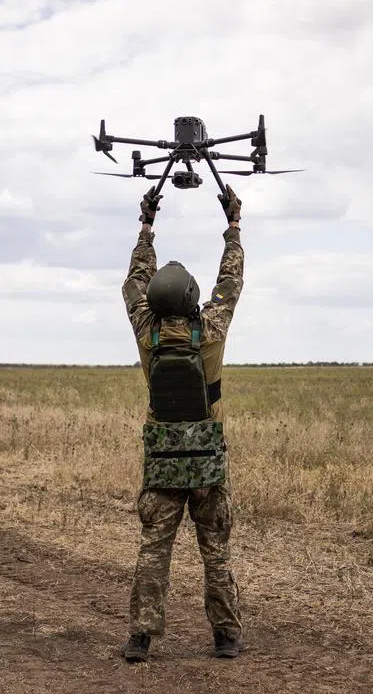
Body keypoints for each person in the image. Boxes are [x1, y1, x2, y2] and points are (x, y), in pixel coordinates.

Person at [120, 183, 246, 663]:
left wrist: (146, 227)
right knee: (215, 550)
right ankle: (227, 637)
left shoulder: (145, 329)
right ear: (192, 296)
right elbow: (230, 282)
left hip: (163, 461)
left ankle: (141, 639)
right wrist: (232, 225)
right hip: (208, 461)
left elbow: (134, 279)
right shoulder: (211, 328)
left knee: (154, 550)